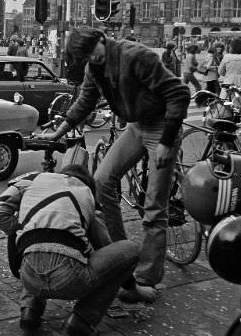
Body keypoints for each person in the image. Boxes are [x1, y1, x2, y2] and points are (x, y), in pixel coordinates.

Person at [35, 26, 190, 304]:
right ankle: (122, 253)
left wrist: (167, 141)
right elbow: (86, 100)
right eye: (85, 57)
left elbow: (179, 94)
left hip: (162, 127)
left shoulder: (136, 56)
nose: (92, 59)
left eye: (93, 52)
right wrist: (60, 130)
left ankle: (146, 276)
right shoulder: (93, 68)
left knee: (154, 206)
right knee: (102, 180)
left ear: (102, 39)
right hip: (136, 126)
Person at [0, 164, 139, 336]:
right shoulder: (87, 194)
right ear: (88, 185)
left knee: (34, 237)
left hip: (29, 278)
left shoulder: (33, 180)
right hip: (70, 280)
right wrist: (132, 287)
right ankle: (82, 320)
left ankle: (30, 311)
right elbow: (107, 249)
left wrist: (21, 231)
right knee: (131, 249)